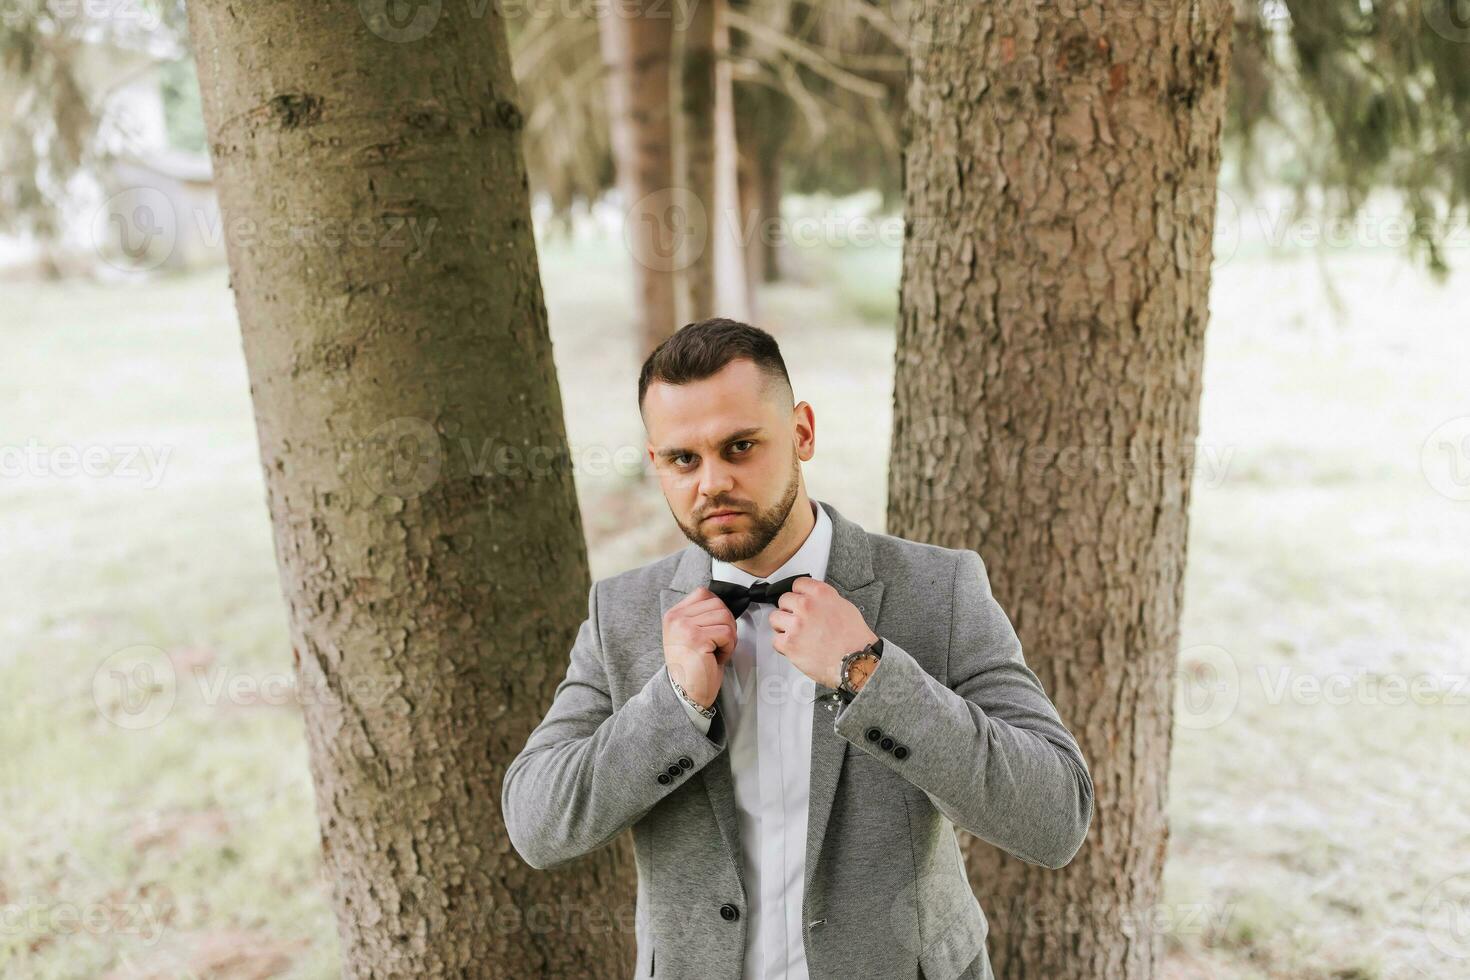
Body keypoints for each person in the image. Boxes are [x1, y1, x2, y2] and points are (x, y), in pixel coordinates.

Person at [501, 317, 1093, 980]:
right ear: (656, 463)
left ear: (802, 432)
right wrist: (673, 708)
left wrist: (869, 673)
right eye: (684, 460)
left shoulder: (938, 590)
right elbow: (536, 824)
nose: (712, 483)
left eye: (741, 446)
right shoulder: (623, 615)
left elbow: (1056, 817)